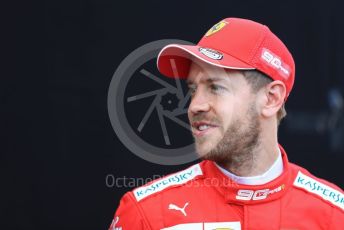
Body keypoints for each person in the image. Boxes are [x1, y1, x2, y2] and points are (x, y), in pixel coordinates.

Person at [109, 17, 344, 229]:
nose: (194, 106)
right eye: (193, 89)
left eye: (216, 87)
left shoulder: (334, 215)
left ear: (271, 99)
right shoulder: (146, 213)